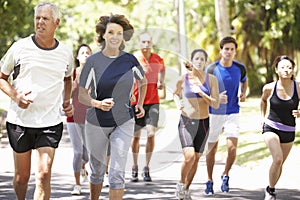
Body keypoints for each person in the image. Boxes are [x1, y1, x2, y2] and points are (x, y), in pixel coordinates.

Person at [0, 2, 73, 200]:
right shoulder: (20, 47)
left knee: (43, 175)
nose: (40, 22)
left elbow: (68, 78)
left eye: (45, 18)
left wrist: (67, 100)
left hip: (49, 122)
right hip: (20, 122)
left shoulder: (65, 52)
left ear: (56, 22)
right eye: (37, 18)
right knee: (22, 178)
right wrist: (16, 96)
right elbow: (1, 77)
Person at [78, 14, 147, 200]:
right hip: (96, 121)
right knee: (97, 170)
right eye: (111, 32)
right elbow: (82, 93)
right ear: (104, 35)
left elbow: (144, 81)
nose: (115, 36)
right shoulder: (93, 61)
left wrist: (139, 104)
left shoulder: (130, 60)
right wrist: (97, 103)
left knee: (116, 174)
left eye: (119, 33)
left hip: (124, 120)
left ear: (123, 36)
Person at [173, 49, 219, 199]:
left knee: (197, 158)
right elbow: (175, 93)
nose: (199, 61)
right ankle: (180, 184)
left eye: (202, 59)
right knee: (189, 156)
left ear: (206, 62)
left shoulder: (211, 80)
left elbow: (216, 103)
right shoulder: (183, 78)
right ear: (192, 61)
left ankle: (186, 189)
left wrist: (201, 93)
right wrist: (177, 103)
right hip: (186, 121)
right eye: (196, 59)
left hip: (204, 123)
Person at [204, 36, 248, 195]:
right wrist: (216, 98)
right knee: (212, 149)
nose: (229, 52)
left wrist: (243, 93)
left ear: (235, 51)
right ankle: (209, 180)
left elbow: (244, 80)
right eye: (226, 49)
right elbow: (203, 91)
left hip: (233, 112)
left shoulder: (240, 68)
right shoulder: (211, 69)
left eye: (232, 49)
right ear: (221, 50)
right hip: (214, 113)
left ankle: (225, 174)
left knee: (232, 148)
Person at [261, 55, 299, 200]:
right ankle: (270, 193)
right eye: (283, 67)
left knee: (280, 163)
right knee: (277, 158)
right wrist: (262, 118)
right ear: (277, 69)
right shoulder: (269, 87)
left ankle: (271, 188)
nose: (286, 70)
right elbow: (263, 101)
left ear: (293, 71)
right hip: (271, 127)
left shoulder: (298, 87)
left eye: (289, 67)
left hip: (289, 130)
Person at [130, 32, 165, 182]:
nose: (145, 45)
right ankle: (134, 165)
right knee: (136, 136)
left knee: (151, 134)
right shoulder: (135, 59)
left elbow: (162, 70)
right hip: (137, 101)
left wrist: (161, 82)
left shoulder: (158, 59)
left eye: (148, 42)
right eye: (143, 42)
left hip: (153, 101)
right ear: (139, 43)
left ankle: (147, 167)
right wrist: (130, 93)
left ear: (151, 43)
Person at [66, 44, 92, 195]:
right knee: (77, 152)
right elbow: (67, 97)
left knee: (87, 154)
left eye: (88, 52)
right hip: (73, 117)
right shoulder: (72, 74)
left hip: (89, 118)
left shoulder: (94, 74)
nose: (85, 55)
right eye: (82, 53)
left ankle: (83, 167)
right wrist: (73, 86)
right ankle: (77, 184)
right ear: (77, 57)